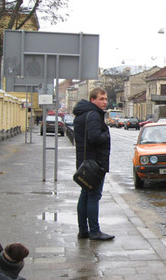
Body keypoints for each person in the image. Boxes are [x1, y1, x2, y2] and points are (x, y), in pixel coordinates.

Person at [72, 88, 114, 241]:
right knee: (93, 196)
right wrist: (106, 134)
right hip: (94, 164)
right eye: (101, 99)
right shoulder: (94, 115)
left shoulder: (82, 114)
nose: (104, 102)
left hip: (84, 162)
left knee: (85, 195)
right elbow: (94, 137)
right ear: (92, 100)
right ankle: (95, 231)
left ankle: (83, 230)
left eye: (105, 99)